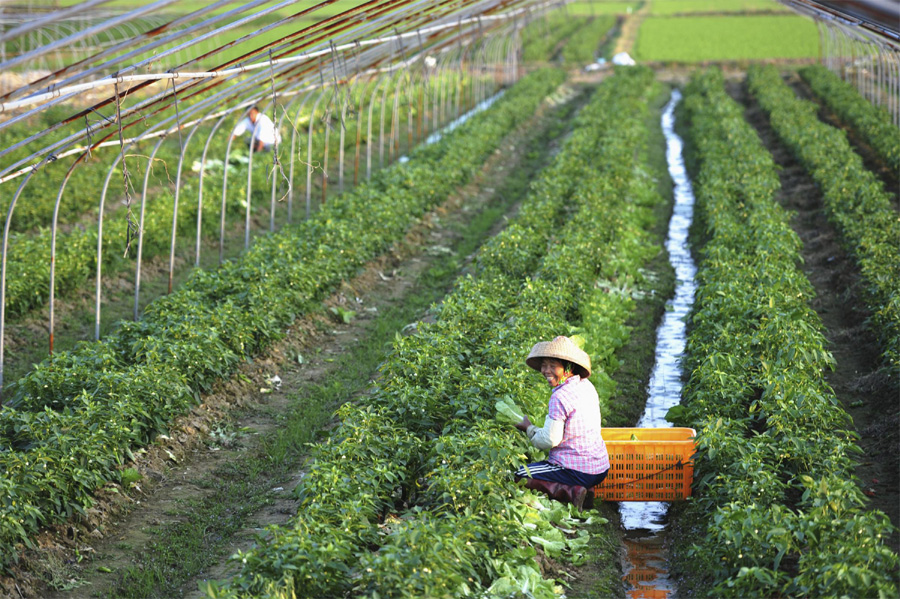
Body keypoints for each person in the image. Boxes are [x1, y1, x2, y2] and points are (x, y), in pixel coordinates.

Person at [513, 335, 610, 511]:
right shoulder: (586, 385)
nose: (546, 370)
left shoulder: (560, 396)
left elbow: (549, 441)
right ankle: (586, 490)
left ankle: (571, 492)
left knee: (518, 473)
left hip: (576, 470)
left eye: (552, 365)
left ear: (567, 367)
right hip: (600, 469)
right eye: (544, 365)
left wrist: (528, 428)